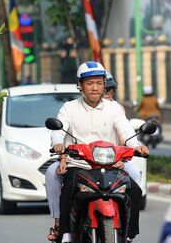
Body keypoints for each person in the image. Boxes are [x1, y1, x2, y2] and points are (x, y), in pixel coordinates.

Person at [50, 61, 149, 243]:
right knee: (68, 189)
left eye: (99, 83)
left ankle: (129, 234)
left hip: (110, 165)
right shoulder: (68, 108)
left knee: (134, 191)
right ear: (80, 85)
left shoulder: (113, 108)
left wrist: (136, 145)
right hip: (79, 165)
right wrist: (58, 143)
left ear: (104, 85)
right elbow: (59, 129)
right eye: (89, 83)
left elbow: (126, 130)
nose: (94, 88)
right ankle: (64, 232)